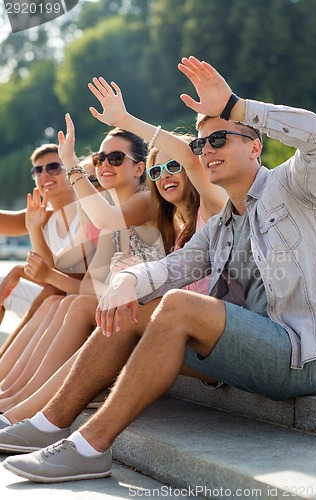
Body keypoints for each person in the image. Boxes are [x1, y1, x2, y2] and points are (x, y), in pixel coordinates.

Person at [2, 55, 316, 483]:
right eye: (201, 145)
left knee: (178, 305)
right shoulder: (218, 228)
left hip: (301, 356)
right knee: (135, 308)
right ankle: (50, 423)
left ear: (255, 146)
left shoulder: (294, 189)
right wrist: (126, 280)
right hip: (243, 350)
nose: (207, 151)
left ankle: (90, 445)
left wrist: (236, 105)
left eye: (219, 140)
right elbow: (172, 266)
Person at [0, 118, 224, 416]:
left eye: (115, 158)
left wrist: (73, 165)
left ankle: (22, 406)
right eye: (99, 159)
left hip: (182, 323)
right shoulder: (142, 221)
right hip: (152, 312)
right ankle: (12, 395)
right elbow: (88, 285)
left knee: (75, 306)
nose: (104, 165)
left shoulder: (145, 202)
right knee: (63, 303)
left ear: (137, 168)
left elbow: (86, 259)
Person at [0, 144, 97, 356]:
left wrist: (19, 269)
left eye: (53, 167)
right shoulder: (42, 215)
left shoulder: (89, 212)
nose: (44, 174)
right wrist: (34, 225)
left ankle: (5, 358)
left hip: (75, 303)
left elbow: (57, 280)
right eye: (38, 170)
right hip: (56, 299)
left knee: (50, 293)